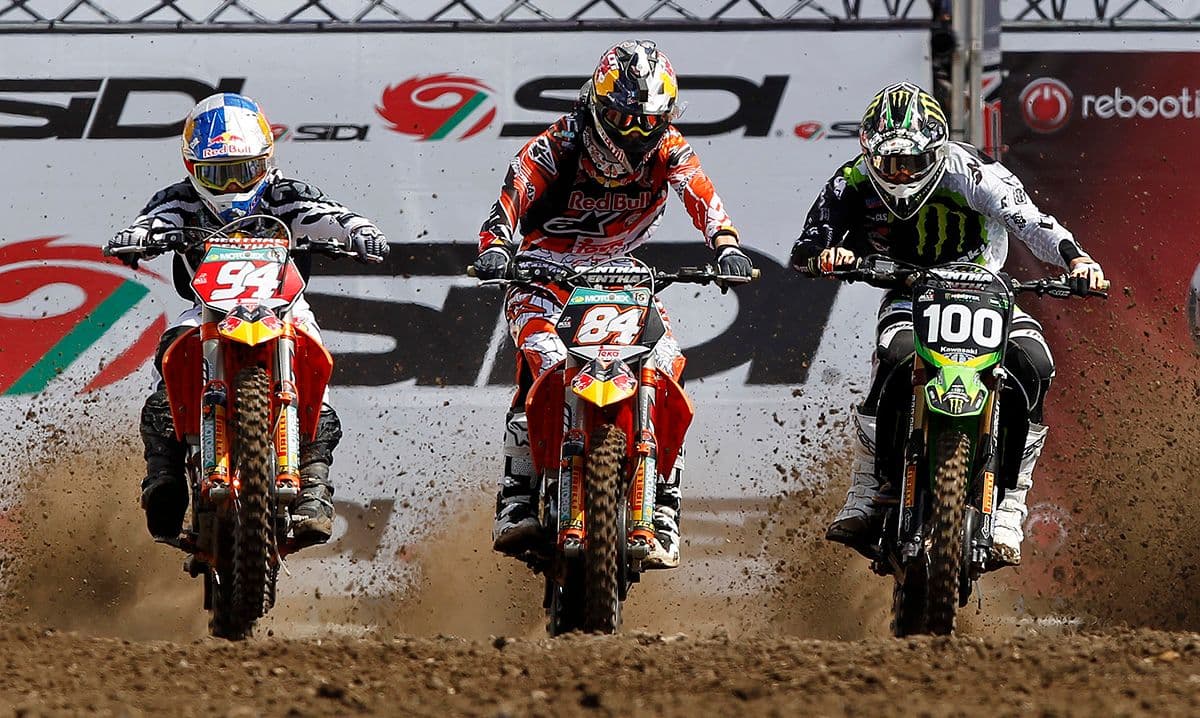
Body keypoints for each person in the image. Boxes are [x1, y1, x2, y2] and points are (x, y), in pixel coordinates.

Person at [790, 82, 1107, 567]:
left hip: (985, 290)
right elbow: (807, 245)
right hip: (908, 292)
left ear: (936, 151)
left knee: (1035, 362)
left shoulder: (974, 172)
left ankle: (1011, 503)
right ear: (869, 154)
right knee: (895, 356)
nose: (900, 174)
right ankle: (865, 489)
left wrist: (1076, 259)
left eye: (912, 162)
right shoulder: (851, 180)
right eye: (889, 163)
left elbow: (1030, 221)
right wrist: (826, 256)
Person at [475, 40, 754, 569]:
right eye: (625, 118)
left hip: (620, 273)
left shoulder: (669, 148)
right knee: (546, 361)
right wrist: (496, 248)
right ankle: (516, 496)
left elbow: (701, 195)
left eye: (649, 121)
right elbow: (511, 197)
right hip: (543, 270)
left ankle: (663, 502)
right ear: (598, 107)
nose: (636, 132)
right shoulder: (558, 143)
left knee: (665, 361)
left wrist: (726, 246)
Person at [107, 92, 389, 547]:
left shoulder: (286, 194)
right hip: (208, 310)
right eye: (218, 175)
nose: (234, 186)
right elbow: (155, 221)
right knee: (170, 356)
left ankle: (314, 484)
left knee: (314, 358)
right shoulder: (179, 200)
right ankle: (163, 474)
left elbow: (326, 214)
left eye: (244, 170)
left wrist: (360, 232)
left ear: (266, 161)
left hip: (283, 308)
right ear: (193, 168)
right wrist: (136, 236)